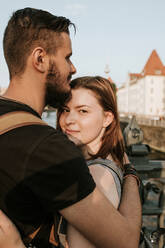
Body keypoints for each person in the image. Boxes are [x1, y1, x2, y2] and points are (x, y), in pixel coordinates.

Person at [0, 7, 141, 248]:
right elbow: (126, 241)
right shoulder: (50, 150)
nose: (73, 68)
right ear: (40, 59)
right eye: (67, 57)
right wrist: (130, 175)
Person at [57, 76, 127, 247]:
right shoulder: (110, 159)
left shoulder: (96, 175)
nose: (68, 120)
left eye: (83, 111)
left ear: (107, 118)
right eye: (65, 110)